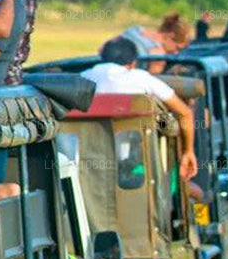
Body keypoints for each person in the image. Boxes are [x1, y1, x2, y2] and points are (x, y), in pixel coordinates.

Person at [81, 37, 199, 180]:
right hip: (135, 165)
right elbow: (185, 113)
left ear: (102, 57)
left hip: (89, 164)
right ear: (132, 63)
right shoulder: (141, 79)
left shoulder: (83, 78)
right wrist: (188, 152)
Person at [119, 13, 190, 73]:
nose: (176, 53)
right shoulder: (158, 56)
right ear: (170, 36)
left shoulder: (136, 29)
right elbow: (152, 83)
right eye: (177, 48)